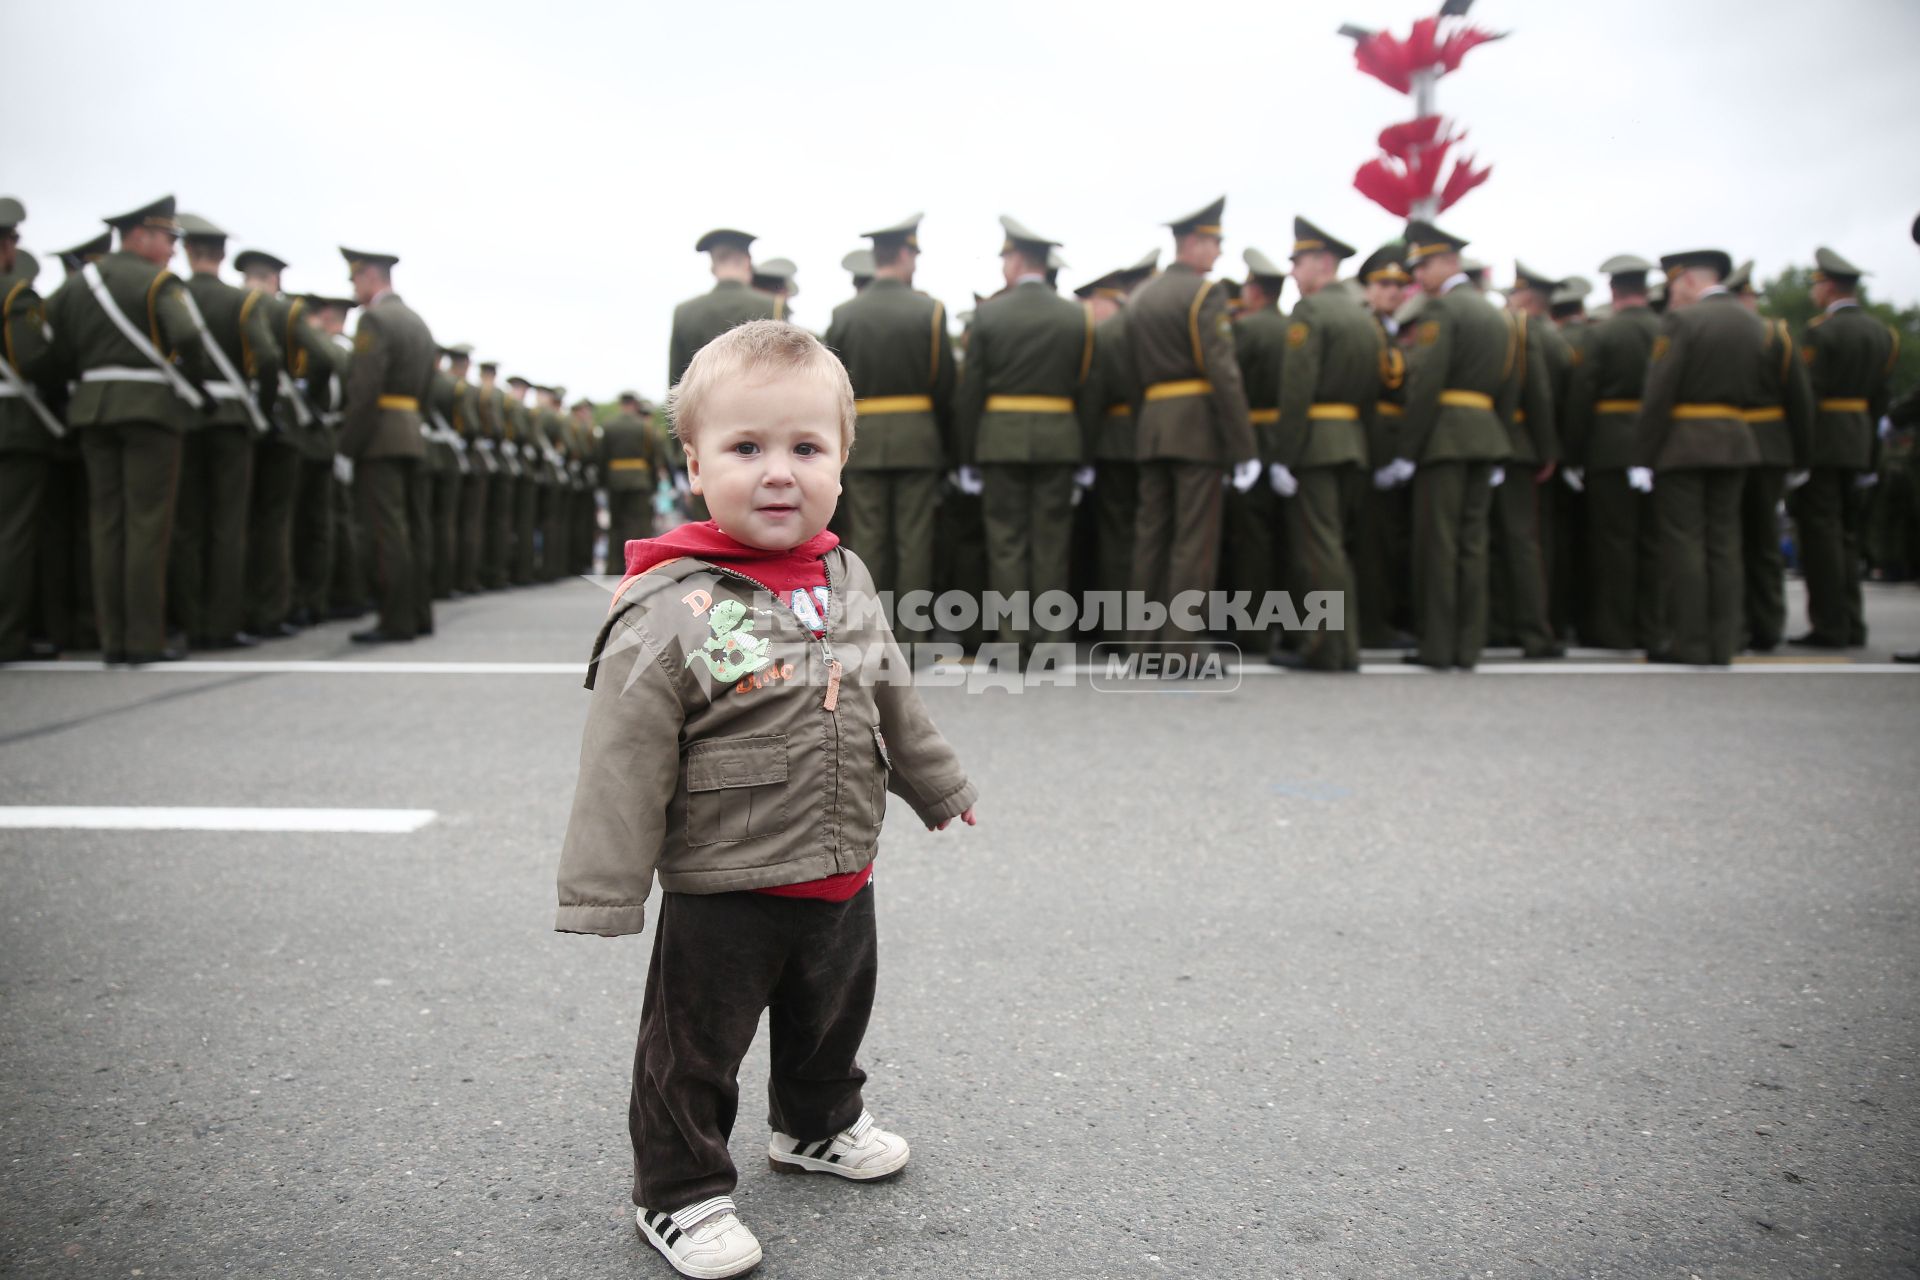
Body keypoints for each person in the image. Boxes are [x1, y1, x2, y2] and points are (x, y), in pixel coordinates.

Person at [554, 319, 977, 1280]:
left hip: (840, 858)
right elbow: (622, 758)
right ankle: (679, 1192)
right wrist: (604, 891)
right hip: (727, 876)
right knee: (694, 1049)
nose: (778, 471)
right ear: (694, 467)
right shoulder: (673, 603)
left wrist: (936, 781)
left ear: (842, 463)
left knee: (832, 1012)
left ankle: (816, 1124)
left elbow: (889, 686)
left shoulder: (843, 571)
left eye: (805, 448)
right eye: (746, 448)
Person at [44, 195, 215, 664]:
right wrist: (193, 382)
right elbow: (187, 337)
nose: (172, 250)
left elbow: (51, 346)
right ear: (139, 235)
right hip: (149, 410)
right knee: (147, 526)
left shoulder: (79, 286)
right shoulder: (158, 282)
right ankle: (143, 639)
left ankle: (112, 638)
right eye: (166, 238)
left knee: (106, 526)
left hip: (92, 409)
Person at [1383, 220, 1523, 670]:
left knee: (1439, 545)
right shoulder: (1497, 314)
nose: (1418, 276)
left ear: (1448, 261)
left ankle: (1439, 647)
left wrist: (1408, 448)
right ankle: (1468, 646)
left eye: (1424, 265)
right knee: (1473, 545)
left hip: (1444, 438)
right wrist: (1497, 436)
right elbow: (1510, 383)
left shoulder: (1443, 312)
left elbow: (1427, 383)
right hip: (1485, 436)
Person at [953, 216, 1095, 652]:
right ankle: (1051, 642)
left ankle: (1014, 644)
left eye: (1006, 258)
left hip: (1001, 440)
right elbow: (1089, 388)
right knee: (1051, 543)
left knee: (1007, 542)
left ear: (1018, 260)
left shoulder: (989, 315)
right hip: (1059, 440)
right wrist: (1085, 453)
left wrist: (966, 453)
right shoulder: (1077, 317)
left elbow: (971, 391)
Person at [1125, 196, 1259, 650]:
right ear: (1194, 243)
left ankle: (1141, 640)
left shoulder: (1142, 295)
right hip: (1197, 428)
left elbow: (1127, 370)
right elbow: (1223, 371)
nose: (1218, 252)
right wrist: (1243, 445)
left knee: (1151, 536)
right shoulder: (1205, 293)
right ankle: (1179, 644)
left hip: (1153, 425)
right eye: (1214, 242)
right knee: (1193, 539)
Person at [823, 213, 957, 644]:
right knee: (914, 541)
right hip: (917, 439)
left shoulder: (844, 314)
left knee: (868, 540)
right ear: (902, 254)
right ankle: (912, 640)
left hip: (863, 439)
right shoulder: (930, 311)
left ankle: (870, 637)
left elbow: (833, 384)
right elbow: (944, 386)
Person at [1637, 249, 1765, 666]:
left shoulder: (1682, 321)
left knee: (1685, 542)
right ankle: (1723, 642)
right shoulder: (1752, 323)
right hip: (1735, 439)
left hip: (1685, 443)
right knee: (1725, 543)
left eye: (1674, 284)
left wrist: (1644, 452)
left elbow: (1660, 391)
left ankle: (1690, 642)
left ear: (1687, 281)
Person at [1267, 219, 1382, 671]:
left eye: (1298, 263)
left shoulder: (1310, 313)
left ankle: (1326, 647)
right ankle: (1343, 645)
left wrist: (1285, 455)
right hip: (1351, 441)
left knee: (1319, 550)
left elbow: (1296, 391)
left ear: (1321, 263)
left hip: (1315, 443)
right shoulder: (1362, 314)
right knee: (1336, 547)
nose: (1293, 273)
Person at [171, 213, 280, 651]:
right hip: (232, 416)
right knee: (227, 526)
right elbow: (268, 358)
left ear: (186, 251)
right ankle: (221, 623)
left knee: (186, 523)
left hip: (185, 411)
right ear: (221, 255)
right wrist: (264, 408)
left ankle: (189, 620)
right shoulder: (241, 302)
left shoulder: (172, 295)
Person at [1791, 247, 1897, 649]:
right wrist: (1872, 451)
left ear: (1829, 286)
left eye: (1817, 284)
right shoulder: (1883, 334)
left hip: (1824, 442)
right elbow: (1881, 399)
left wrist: (1800, 450)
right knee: (1849, 535)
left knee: (1821, 537)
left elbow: (1809, 396)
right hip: (1859, 440)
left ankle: (1830, 625)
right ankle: (1853, 623)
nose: (1814, 291)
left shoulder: (1821, 333)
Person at [1562, 255, 1662, 650]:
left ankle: (1615, 629)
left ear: (1613, 290)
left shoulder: (1601, 335)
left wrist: (1573, 453)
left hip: (1610, 448)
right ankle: (1652, 626)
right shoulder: (1667, 328)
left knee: (1614, 544)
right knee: (1653, 543)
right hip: (1659, 446)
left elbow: (1582, 395)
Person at [337, 247, 436, 643]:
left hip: (379, 435)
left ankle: (394, 619)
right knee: (413, 528)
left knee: (385, 532)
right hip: (411, 431)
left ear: (369, 277)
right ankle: (418, 614)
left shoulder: (373, 320)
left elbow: (364, 390)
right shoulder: (417, 322)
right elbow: (426, 388)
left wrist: (347, 446)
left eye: (355, 280)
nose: (354, 288)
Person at [1727, 262, 1812, 652]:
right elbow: (1799, 400)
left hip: (1743, 444)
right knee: (1752, 540)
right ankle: (1760, 622)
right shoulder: (1771, 334)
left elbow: (1797, 397)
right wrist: (1799, 454)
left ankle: (1753, 623)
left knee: (1752, 539)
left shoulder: (1753, 334)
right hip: (1762, 443)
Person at [1489, 261, 1564, 659]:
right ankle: (1530, 629)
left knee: (1512, 542)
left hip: (1506, 443)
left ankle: (1523, 628)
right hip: (1520, 446)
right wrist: (1549, 448)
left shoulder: (1517, 329)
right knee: (1523, 540)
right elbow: (1547, 397)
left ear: (1525, 298)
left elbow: (1538, 395)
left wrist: (1545, 448)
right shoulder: (1543, 335)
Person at [1076, 251, 1157, 621]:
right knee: (1152, 535)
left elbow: (1093, 398)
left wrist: (1087, 451)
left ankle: (1117, 624)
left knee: (1115, 537)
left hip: (1112, 441)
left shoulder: (1105, 334)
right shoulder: (1154, 329)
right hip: (1154, 438)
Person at [1, 199, 65, 662]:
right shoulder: (14, 295)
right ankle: (8, 634)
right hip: (12, 426)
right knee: (13, 533)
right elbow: (35, 360)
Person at [1223, 245, 1289, 654]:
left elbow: (1234, 388)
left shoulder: (1246, 331)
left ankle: (1253, 629)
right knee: (1286, 537)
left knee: (1252, 540)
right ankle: (1286, 623)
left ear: (1254, 291)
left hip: (1252, 438)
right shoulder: (1295, 327)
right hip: (1287, 438)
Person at [1353, 241, 1413, 649]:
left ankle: (1384, 618)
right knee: (1372, 542)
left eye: (1398, 284)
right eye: (1383, 284)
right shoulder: (1367, 330)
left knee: (1389, 539)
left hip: (1393, 444)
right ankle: (1373, 625)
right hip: (1372, 443)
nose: (1392, 292)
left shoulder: (1392, 332)